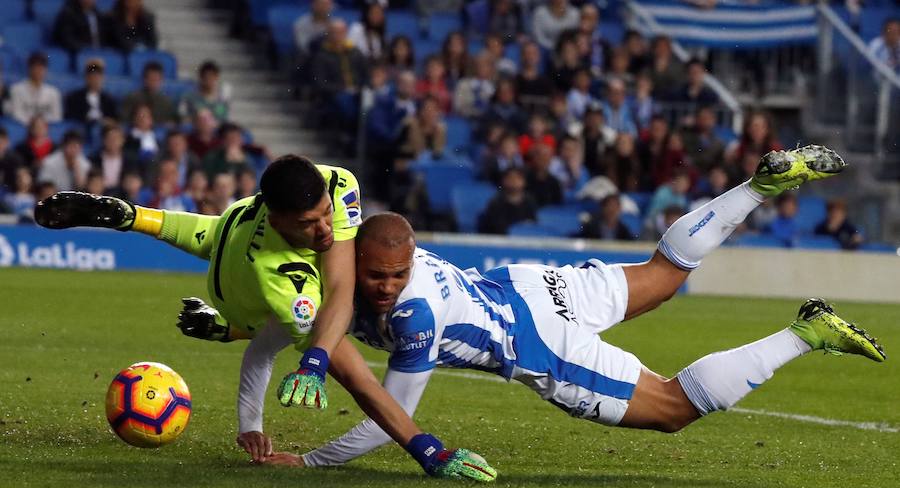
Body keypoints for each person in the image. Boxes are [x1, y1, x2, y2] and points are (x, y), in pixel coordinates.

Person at [263, 146, 885, 470]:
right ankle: (759, 188)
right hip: (529, 285)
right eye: (376, 276)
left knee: (671, 409)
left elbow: (388, 419)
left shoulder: (410, 316)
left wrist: (312, 460)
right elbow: (308, 308)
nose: (383, 287)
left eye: (393, 277)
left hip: (540, 341)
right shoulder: (372, 261)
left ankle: (807, 333)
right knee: (665, 275)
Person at [34, 156, 494, 481]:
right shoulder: (283, 282)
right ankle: (224, 326)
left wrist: (131, 216)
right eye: (310, 226)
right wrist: (427, 450)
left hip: (234, 251)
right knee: (286, 327)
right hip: (243, 297)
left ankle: (214, 316)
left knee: (322, 307)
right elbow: (353, 379)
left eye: (325, 216)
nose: (326, 231)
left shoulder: (338, 185)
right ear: (278, 223)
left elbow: (207, 231)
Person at [478, 166, 538, 234]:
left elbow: (533, 225)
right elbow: (497, 228)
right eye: (510, 178)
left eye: (518, 178)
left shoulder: (529, 202)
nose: (514, 181)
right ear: (504, 181)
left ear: (524, 181)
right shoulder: (495, 203)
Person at [7, 53, 63, 125]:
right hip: (24, 128)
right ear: (29, 68)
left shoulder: (54, 92)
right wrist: (33, 125)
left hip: (46, 131)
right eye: (35, 67)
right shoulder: (16, 89)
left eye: (41, 68)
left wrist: (41, 124)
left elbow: (57, 117)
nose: (38, 71)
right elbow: (16, 115)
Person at [121, 62, 179, 126]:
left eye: (157, 79)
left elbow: (171, 121)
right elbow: (124, 119)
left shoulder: (166, 101)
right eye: (151, 79)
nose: (154, 82)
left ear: (162, 80)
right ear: (145, 79)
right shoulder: (132, 98)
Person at [64, 59, 119, 125]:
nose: (95, 80)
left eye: (97, 77)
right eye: (92, 77)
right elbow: (71, 119)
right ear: (86, 78)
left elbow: (114, 119)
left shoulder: (109, 99)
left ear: (102, 78)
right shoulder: (74, 98)